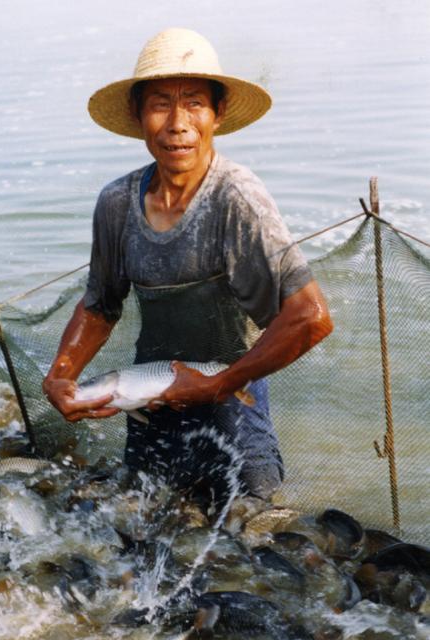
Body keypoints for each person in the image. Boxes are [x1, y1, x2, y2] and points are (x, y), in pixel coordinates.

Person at [43, 28, 333, 512]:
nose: (178, 123)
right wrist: (59, 377)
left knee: (251, 526)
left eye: (194, 103)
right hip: (149, 394)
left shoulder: (237, 199)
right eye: (160, 104)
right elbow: (99, 306)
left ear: (217, 115)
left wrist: (216, 385)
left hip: (228, 390)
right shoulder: (116, 203)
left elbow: (311, 317)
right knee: (138, 524)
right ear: (138, 117)